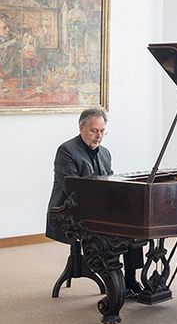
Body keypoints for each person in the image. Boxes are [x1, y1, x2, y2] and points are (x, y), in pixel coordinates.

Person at [47, 108, 143, 294]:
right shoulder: (66, 151)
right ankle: (115, 284)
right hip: (68, 210)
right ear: (81, 128)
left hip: (98, 208)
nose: (98, 136)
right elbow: (72, 189)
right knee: (111, 236)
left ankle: (130, 280)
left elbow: (109, 182)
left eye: (102, 131)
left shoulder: (104, 153)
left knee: (134, 228)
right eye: (94, 130)